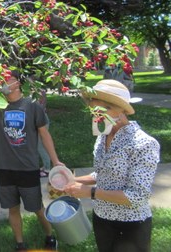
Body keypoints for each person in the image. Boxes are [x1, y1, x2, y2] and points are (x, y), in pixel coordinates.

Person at [64, 79, 160, 252]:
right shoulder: (103, 136)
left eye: (104, 109)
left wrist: (89, 192)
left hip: (130, 224)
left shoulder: (144, 144)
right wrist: (72, 180)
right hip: (102, 218)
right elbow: (104, 174)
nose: (97, 116)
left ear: (122, 109)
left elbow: (137, 196)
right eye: (94, 110)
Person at [0, 70, 64, 251]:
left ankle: (50, 236)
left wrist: (55, 161)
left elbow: (44, 135)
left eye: (7, 80)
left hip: (27, 167)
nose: (4, 83)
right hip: (4, 167)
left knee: (36, 208)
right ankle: (20, 244)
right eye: (1, 80)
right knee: (13, 208)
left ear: (17, 83)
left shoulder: (32, 106)